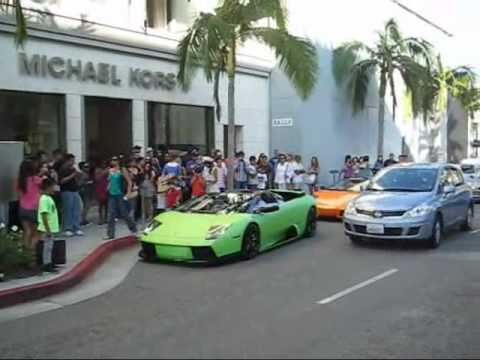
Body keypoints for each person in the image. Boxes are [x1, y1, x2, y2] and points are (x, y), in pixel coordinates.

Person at [105, 157, 137, 240]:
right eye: (112, 160)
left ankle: (133, 228)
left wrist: (128, 193)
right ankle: (110, 234)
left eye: (115, 160)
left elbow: (129, 182)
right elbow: (109, 181)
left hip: (120, 194)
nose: (113, 161)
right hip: (112, 194)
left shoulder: (122, 170)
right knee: (111, 214)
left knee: (124, 213)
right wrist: (108, 187)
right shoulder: (110, 170)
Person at [17, 159, 43, 249]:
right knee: (37, 233)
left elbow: (19, 195)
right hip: (34, 208)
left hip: (22, 208)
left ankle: (24, 253)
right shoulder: (36, 179)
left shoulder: (19, 181)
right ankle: (31, 253)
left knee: (27, 231)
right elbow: (42, 187)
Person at [37, 178, 60, 273]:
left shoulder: (49, 198)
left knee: (50, 246)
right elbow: (44, 215)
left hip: (51, 228)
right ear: (48, 187)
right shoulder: (44, 199)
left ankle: (49, 262)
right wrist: (48, 229)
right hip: (47, 228)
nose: (55, 189)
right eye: (53, 187)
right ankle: (46, 264)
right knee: (47, 246)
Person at [58, 154, 83, 237]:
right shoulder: (62, 169)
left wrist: (78, 175)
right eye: (72, 160)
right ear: (67, 160)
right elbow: (62, 181)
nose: (73, 162)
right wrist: (73, 175)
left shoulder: (73, 169)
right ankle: (67, 228)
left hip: (75, 190)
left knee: (76, 209)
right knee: (68, 210)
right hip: (66, 191)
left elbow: (77, 179)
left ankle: (76, 227)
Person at [78, 162, 94, 226]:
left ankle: (84, 219)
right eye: (86, 167)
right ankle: (83, 220)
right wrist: (88, 182)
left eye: (88, 166)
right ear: (82, 168)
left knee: (86, 205)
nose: (88, 168)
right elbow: (80, 183)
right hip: (84, 191)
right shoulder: (82, 174)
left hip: (86, 191)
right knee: (86, 205)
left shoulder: (85, 174)